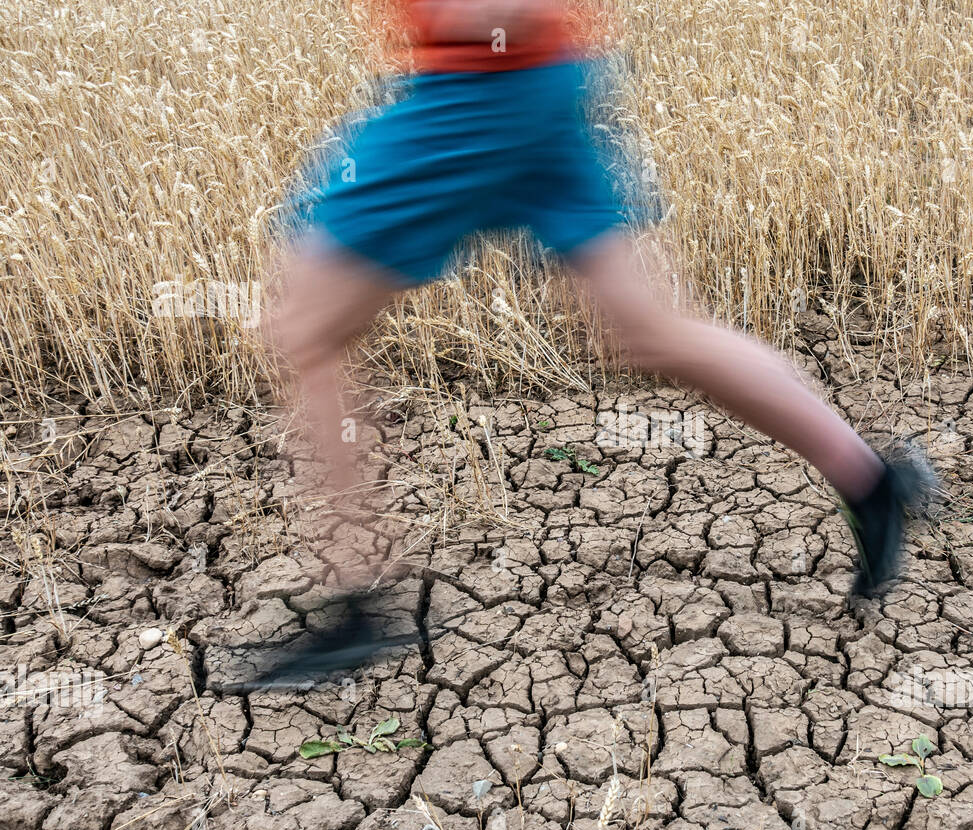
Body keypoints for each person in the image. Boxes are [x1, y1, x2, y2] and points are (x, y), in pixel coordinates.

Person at [255, 0, 934, 686]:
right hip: (534, 82)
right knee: (652, 332)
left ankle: (355, 600)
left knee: (307, 329)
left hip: (474, 95)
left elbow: (496, 12)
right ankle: (871, 480)